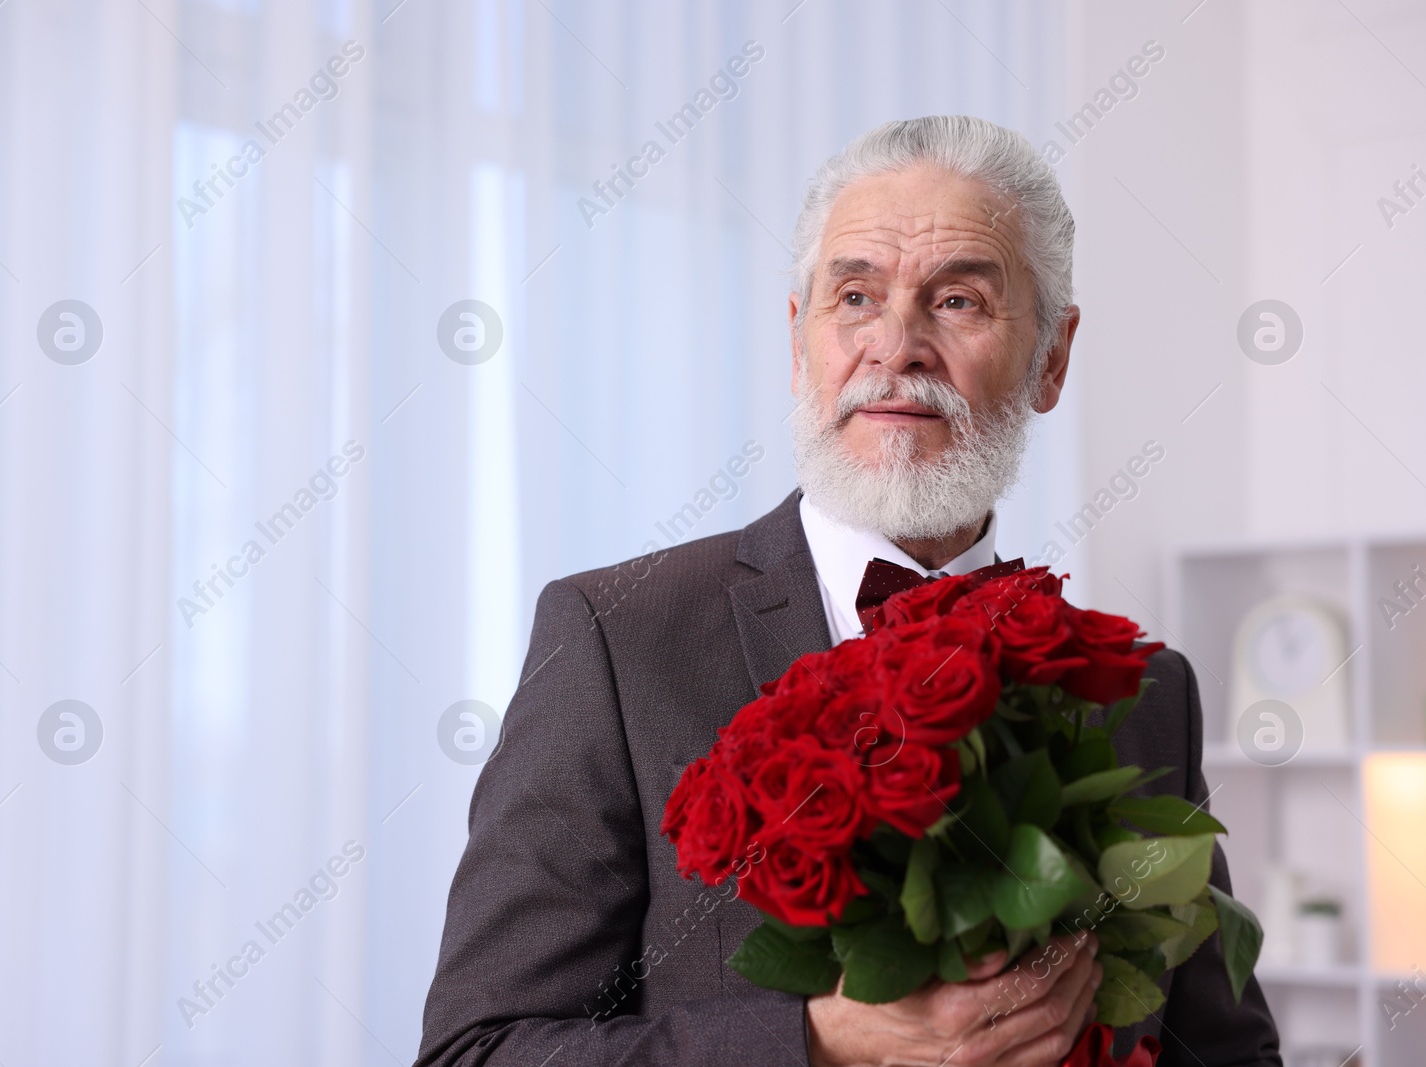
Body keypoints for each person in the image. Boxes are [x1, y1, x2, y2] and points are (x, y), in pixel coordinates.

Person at [416, 115, 1281, 1067]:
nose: (897, 345)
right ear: (800, 341)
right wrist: (817, 1042)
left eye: (957, 300)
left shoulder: (1148, 695)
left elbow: (1225, 1054)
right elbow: (478, 1050)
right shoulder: (617, 639)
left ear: (1053, 359)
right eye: (856, 295)